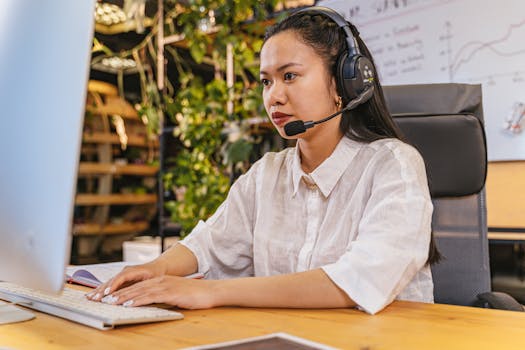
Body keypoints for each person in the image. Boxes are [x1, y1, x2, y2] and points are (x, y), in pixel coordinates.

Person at [87, 6, 439, 314]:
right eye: (266, 81)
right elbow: (210, 244)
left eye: (289, 76)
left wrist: (211, 293)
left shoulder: (393, 165)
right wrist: (156, 269)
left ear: (342, 84)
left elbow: (357, 280)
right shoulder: (267, 173)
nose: (274, 97)